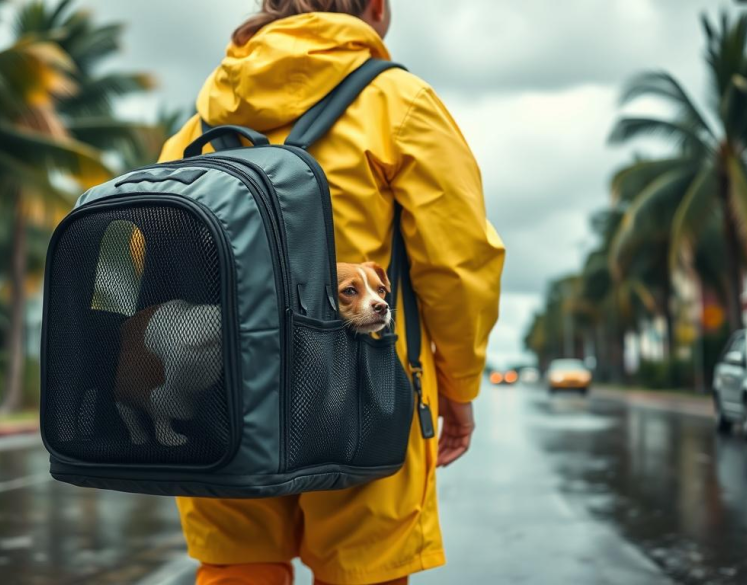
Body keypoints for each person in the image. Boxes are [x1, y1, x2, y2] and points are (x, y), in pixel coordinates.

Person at [157, 1, 505, 583]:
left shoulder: (195, 131)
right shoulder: (398, 103)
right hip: (364, 395)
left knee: (236, 569)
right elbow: (458, 261)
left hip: (222, 396)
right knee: (363, 570)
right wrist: (458, 385)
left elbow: (165, 271)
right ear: (373, 9)